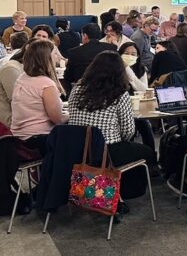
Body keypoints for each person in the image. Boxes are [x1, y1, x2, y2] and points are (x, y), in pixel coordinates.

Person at [66, 50, 156, 200]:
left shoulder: (77, 88)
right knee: (146, 152)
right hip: (107, 150)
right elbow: (128, 131)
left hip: (79, 148)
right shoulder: (119, 93)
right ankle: (127, 192)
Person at [10, 40, 67, 154]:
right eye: (54, 54)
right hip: (39, 139)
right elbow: (58, 119)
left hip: (18, 138)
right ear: (47, 58)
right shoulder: (45, 84)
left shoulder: (22, 78)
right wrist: (71, 115)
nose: (57, 57)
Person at [65, 23, 117, 87]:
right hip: (107, 87)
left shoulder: (74, 52)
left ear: (85, 36)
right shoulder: (111, 48)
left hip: (83, 88)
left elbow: (68, 77)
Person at [0, 31, 30, 127]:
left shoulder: (7, 61)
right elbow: (15, 99)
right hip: (11, 122)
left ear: (10, 44)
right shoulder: (11, 67)